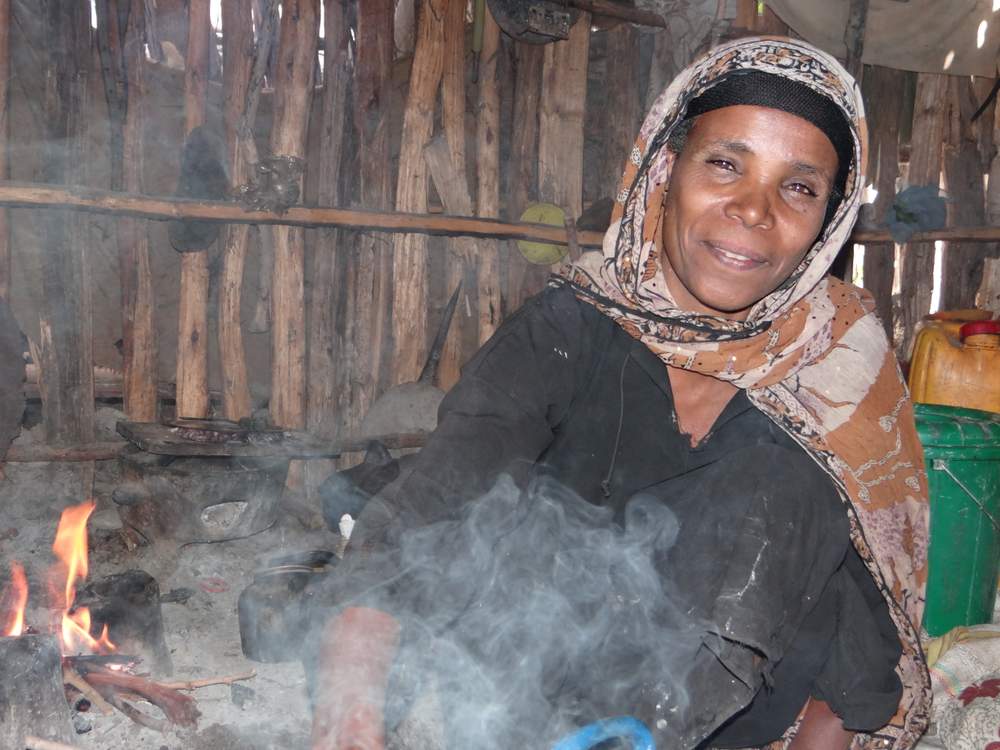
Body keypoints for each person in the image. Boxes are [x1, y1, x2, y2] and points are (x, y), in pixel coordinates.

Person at [308, 36, 931, 750]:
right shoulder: (571, 324)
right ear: (666, 170)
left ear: (831, 218)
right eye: (726, 164)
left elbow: (861, 612)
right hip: (523, 702)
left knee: (789, 480)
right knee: (494, 515)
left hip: (725, 724)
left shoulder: (837, 364)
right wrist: (349, 710)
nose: (754, 210)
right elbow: (442, 488)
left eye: (799, 187)